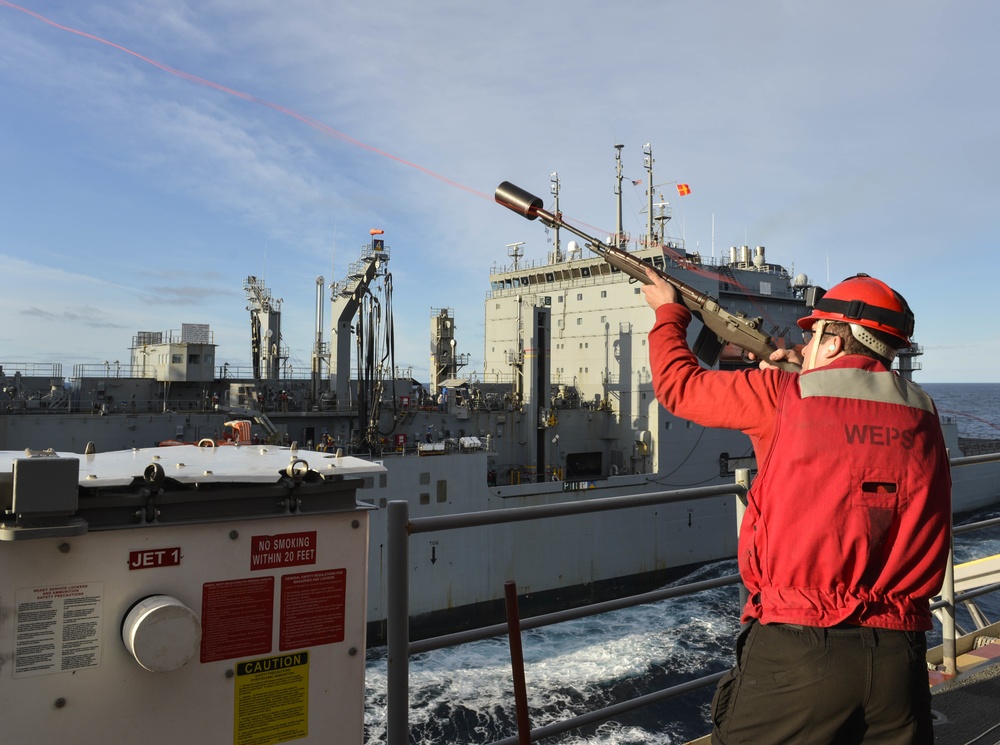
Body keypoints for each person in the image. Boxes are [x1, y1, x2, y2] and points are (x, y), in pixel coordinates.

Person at [642, 268, 951, 745]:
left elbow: (678, 387)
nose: (802, 347)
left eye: (813, 336)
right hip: (899, 651)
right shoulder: (924, 414)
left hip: (800, 649)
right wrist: (798, 376)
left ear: (833, 340)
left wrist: (668, 312)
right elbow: (846, 447)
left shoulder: (780, 396)